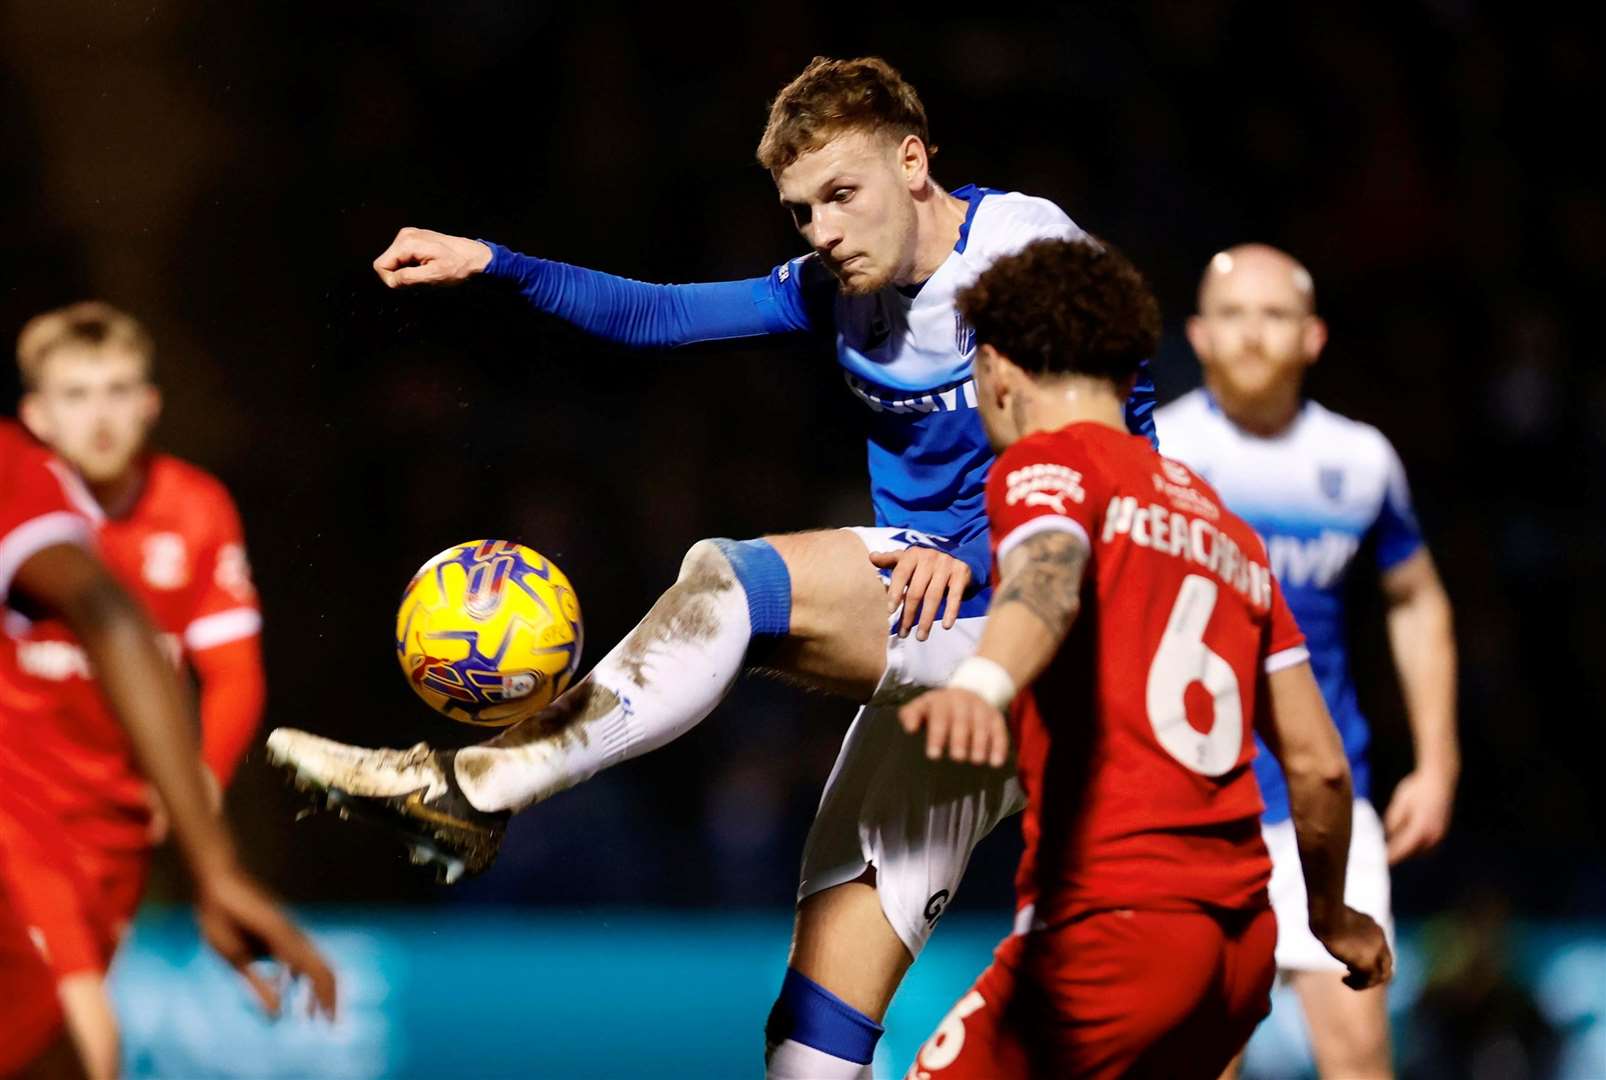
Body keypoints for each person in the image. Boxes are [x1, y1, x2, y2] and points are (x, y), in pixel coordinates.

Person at [267, 55, 1155, 1077]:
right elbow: (664, 315)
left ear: (913, 161)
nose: (821, 230)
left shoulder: (1026, 254)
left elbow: (1126, 450)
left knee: (731, 579)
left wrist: (980, 546)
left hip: (1036, 624)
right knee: (811, 1038)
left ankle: (479, 786)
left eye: (840, 194)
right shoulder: (836, 288)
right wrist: (498, 264)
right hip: (932, 662)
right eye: (798, 211)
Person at [897, 236, 1391, 1080]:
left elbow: (1047, 578)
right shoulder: (1226, 528)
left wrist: (984, 684)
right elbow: (1319, 765)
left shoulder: (1045, 466)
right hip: (1238, 952)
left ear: (997, 371)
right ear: (1133, 379)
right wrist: (1333, 912)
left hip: (1111, 925)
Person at [1155, 244, 1457, 1078]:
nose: (1253, 335)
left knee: (1360, 1057)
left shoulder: (1360, 461)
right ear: (1199, 335)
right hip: (1193, 803)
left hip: (1328, 797)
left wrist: (1436, 763)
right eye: (1234, 315)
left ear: (1314, 336)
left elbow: (1417, 596)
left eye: (1275, 314)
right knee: (1204, 1057)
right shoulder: (1158, 458)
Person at [0, 418, 336, 1079]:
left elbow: (224, 668)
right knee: (83, 1044)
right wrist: (213, 865)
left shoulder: (193, 506)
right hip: (28, 829)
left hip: (93, 836)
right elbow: (109, 611)